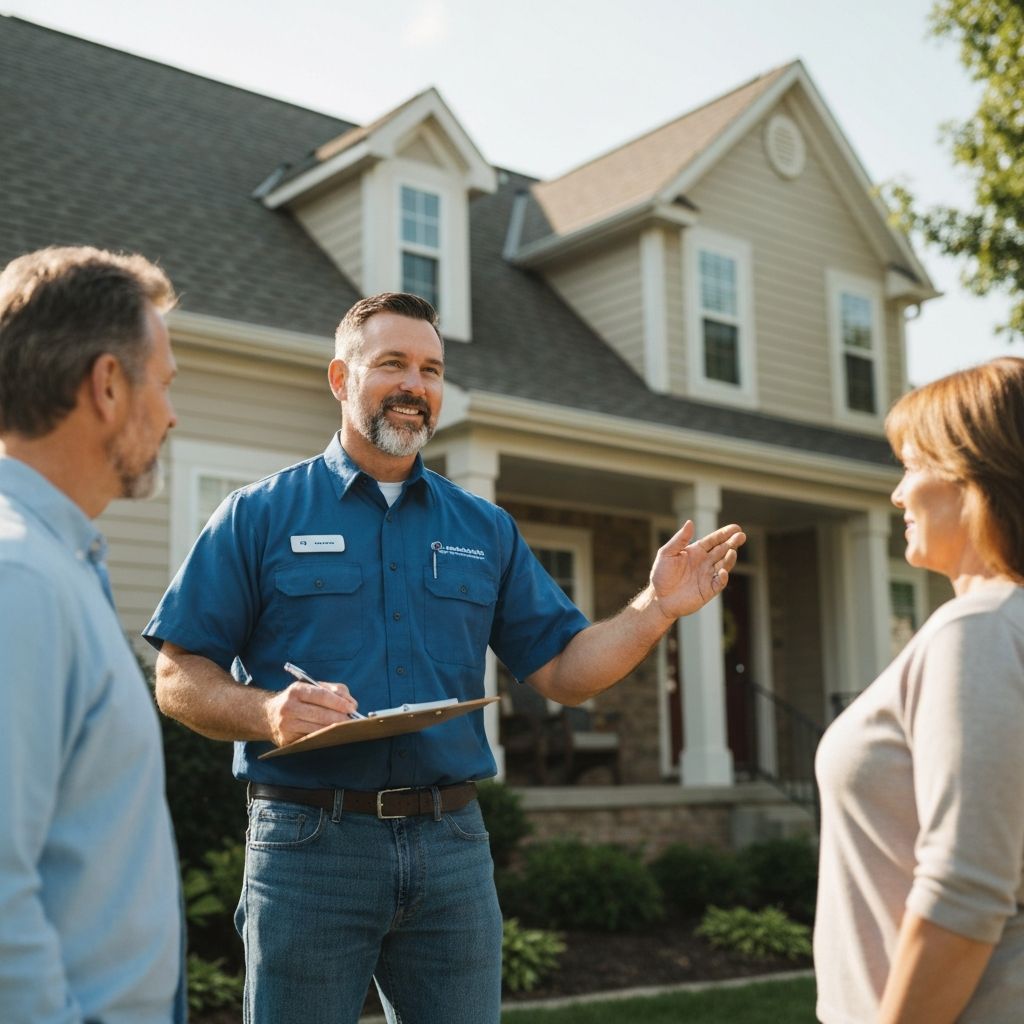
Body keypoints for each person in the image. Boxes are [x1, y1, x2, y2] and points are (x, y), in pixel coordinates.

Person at [146, 291, 744, 1024]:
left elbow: (565, 670)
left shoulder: (483, 527)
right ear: (340, 379)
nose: (415, 386)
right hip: (309, 845)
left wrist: (657, 611)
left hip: (452, 844)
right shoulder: (259, 514)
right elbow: (178, 675)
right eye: (393, 363)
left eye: (431, 370)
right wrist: (267, 710)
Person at [0, 246, 185, 1023]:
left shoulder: (58, 566)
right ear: (108, 385)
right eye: (165, 383)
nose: (171, 414)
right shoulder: (22, 582)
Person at [814, 356, 1024, 1023]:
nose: (898, 494)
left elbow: (965, 893)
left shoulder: (981, 631)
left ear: (972, 478)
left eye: (912, 466)